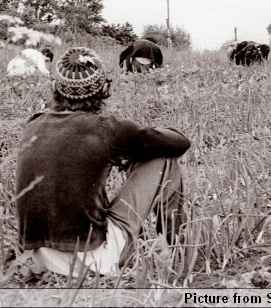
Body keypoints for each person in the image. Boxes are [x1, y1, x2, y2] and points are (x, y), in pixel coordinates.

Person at [15, 47, 191, 276]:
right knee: (165, 159)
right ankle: (176, 246)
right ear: (104, 88)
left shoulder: (33, 123)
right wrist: (133, 152)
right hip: (91, 260)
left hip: (36, 256)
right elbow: (180, 142)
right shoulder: (106, 128)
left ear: (54, 88)